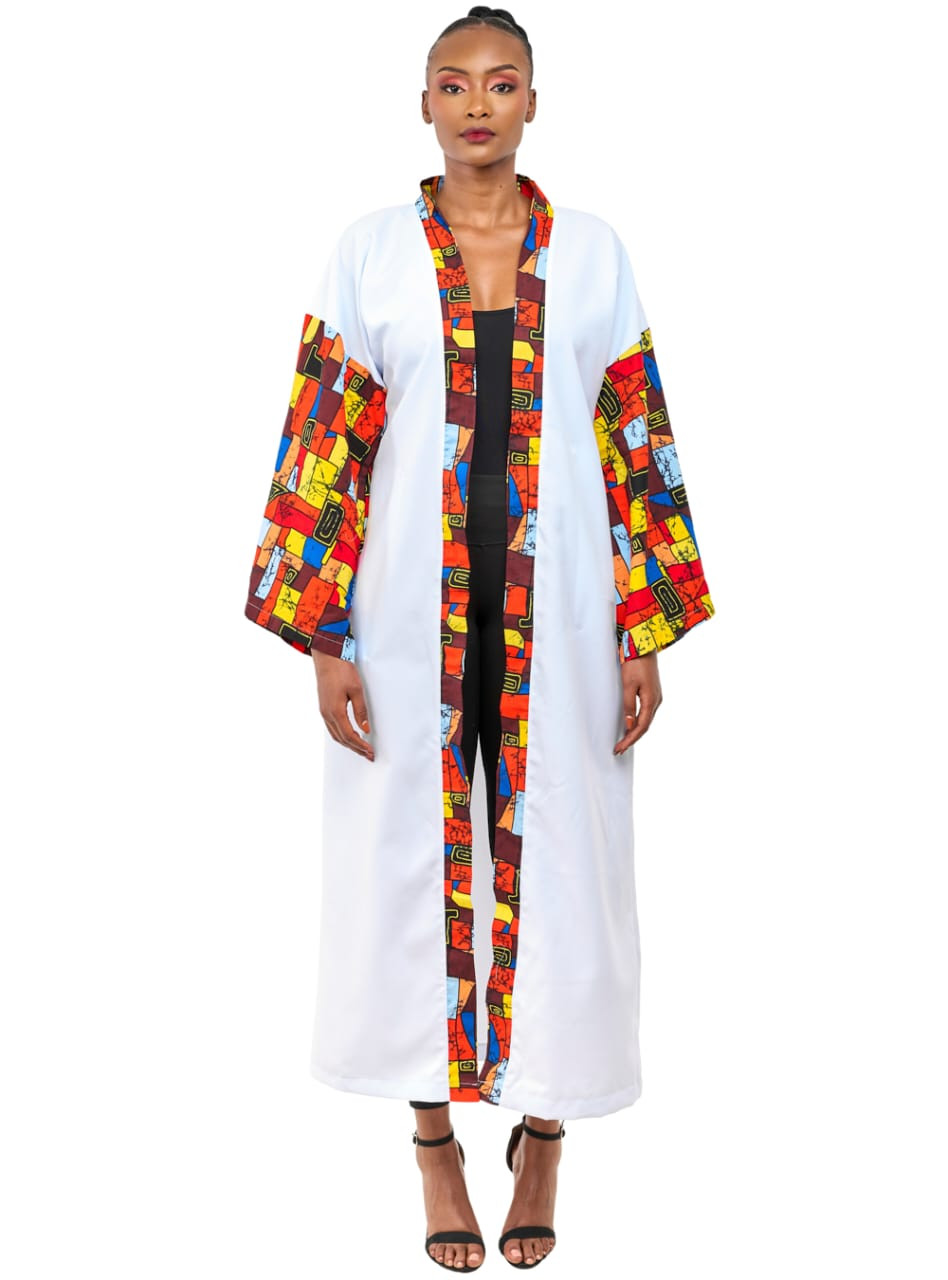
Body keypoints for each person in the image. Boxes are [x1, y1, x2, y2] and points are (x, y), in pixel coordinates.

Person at [242, 6, 715, 1271]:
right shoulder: (369, 254)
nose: (477, 107)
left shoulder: (596, 255)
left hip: (562, 620)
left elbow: (635, 439)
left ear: (533, 103)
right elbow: (325, 439)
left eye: (501, 84)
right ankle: (435, 1143)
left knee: (566, 865)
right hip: (409, 620)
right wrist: (325, 634)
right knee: (410, 870)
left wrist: (644, 629)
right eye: (453, 85)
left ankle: (545, 1131)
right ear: (424, 105)